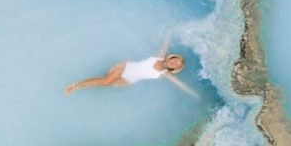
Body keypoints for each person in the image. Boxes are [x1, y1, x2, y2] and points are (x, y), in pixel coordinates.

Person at [65, 51, 195, 96]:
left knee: (106, 82)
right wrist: (170, 30)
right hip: (125, 68)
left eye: (176, 65)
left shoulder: (164, 74)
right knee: (105, 82)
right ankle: (77, 85)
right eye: (175, 60)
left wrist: (193, 94)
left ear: (174, 69)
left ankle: (86, 83)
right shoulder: (159, 57)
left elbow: (180, 84)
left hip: (129, 80)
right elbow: (165, 43)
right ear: (171, 58)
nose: (174, 63)